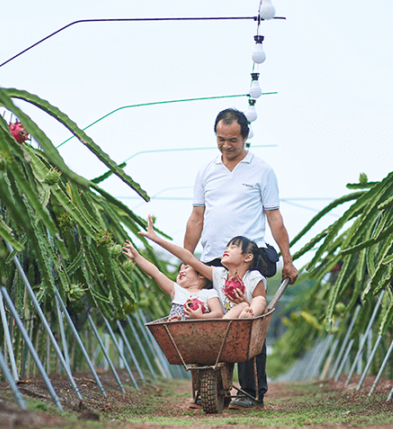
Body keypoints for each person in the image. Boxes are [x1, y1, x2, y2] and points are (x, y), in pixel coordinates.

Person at [183, 108, 299, 409]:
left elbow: (274, 218)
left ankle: (250, 392)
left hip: (249, 261)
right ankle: (206, 390)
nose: (226, 145)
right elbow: (197, 218)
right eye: (221, 139)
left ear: (245, 137)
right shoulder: (206, 170)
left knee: (249, 323)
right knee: (208, 322)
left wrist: (288, 260)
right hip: (212, 260)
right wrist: (187, 259)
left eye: (232, 140)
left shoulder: (261, 170)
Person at [138, 216, 268, 320]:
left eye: (233, 247)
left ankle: (246, 318)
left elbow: (264, 311)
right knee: (242, 306)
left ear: (247, 257)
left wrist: (244, 303)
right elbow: (189, 258)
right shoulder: (219, 275)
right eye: (227, 247)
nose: (227, 250)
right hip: (226, 323)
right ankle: (230, 322)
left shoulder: (253, 278)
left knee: (258, 301)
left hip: (247, 323)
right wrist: (157, 239)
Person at [122, 240, 222, 320]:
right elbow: (155, 273)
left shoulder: (209, 294)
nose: (181, 272)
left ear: (202, 275)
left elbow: (218, 313)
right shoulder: (176, 290)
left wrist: (200, 317)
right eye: (179, 271)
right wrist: (137, 257)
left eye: (186, 268)